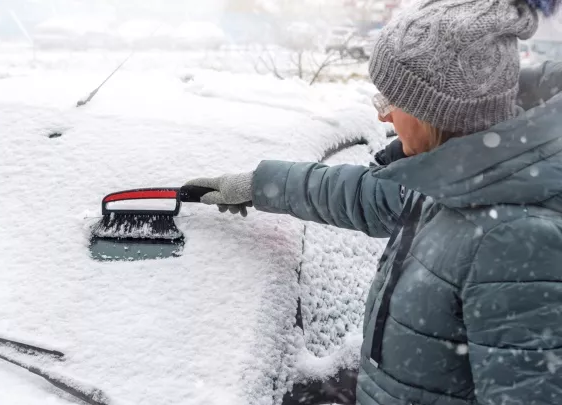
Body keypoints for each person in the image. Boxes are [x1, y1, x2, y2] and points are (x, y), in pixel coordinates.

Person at [186, 0, 562, 404]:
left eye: (391, 102)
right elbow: (364, 194)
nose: (383, 118)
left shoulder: (512, 239)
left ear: (432, 113)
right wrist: (260, 185)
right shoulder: (454, 182)